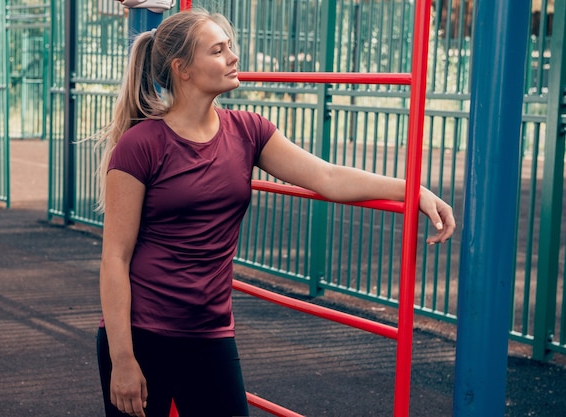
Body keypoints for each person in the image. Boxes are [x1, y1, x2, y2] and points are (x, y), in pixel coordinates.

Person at [94, 8, 455, 417]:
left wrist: (414, 191)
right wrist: (123, 359)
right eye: (218, 50)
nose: (233, 56)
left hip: (209, 333)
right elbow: (115, 258)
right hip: (143, 334)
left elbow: (328, 177)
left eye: (230, 46)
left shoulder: (249, 131)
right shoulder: (141, 145)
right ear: (183, 69)